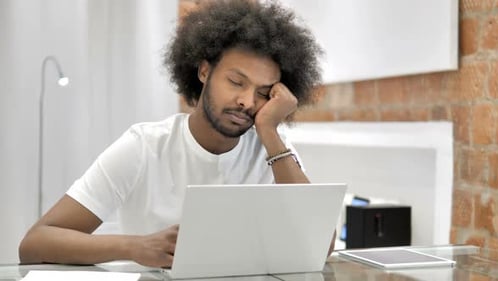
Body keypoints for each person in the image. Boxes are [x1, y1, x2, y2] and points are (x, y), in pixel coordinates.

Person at [19, 0, 327, 268]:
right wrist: (135, 247)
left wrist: (270, 132)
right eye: (236, 82)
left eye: (263, 92)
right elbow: (35, 243)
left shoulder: (272, 149)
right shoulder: (144, 147)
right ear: (204, 72)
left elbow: (320, 247)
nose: (247, 101)